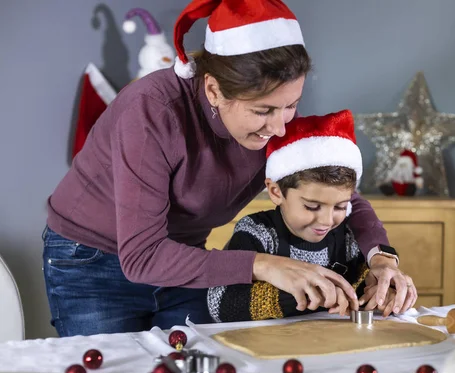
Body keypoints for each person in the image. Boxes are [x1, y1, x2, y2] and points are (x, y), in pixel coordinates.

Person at [43, 0, 414, 337]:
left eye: (291, 105)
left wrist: (381, 259)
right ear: (214, 90)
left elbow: (341, 196)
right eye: (263, 110)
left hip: (183, 259)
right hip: (91, 261)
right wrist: (265, 265)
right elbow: (141, 257)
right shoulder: (151, 111)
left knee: (207, 370)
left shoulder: (275, 119)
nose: (280, 128)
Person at [208, 110, 414, 323]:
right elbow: (219, 304)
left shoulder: (349, 238)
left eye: (340, 206)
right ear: (276, 192)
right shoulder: (257, 232)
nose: (327, 221)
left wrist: (384, 294)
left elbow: (362, 289)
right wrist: (305, 296)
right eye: (312, 207)